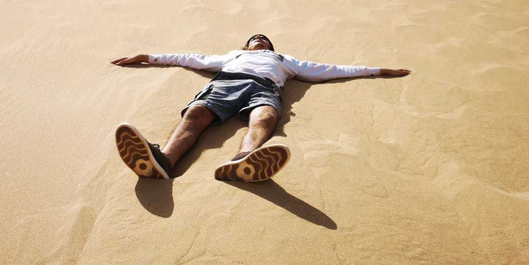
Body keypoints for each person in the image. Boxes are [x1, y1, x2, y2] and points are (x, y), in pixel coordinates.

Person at [112, 34, 410, 182]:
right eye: (255, 39)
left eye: (264, 39)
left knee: (266, 116)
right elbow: (190, 58)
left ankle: (244, 160)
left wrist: (378, 70)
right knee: (197, 114)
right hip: (228, 81)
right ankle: (163, 161)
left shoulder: (285, 60)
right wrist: (148, 56)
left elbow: (331, 69)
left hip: (265, 87)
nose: (260, 40)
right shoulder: (232, 56)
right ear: (247, 46)